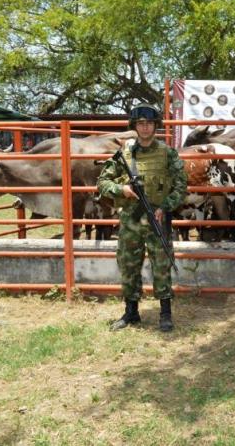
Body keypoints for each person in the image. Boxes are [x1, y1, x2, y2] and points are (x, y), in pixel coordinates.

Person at [97, 104, 187, 332]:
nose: (145, 128)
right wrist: (122, 190)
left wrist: (165, 206)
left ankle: (165, 314)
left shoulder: (167, 153)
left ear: (156, 125)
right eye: (141, 123)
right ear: (134, 126)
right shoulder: (124, 154)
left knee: (162, 265)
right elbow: (102, 183)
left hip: (157, 218)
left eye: (149, 123)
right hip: (131, 220)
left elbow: (180, 185)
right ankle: (131, 312)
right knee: (129, 265)